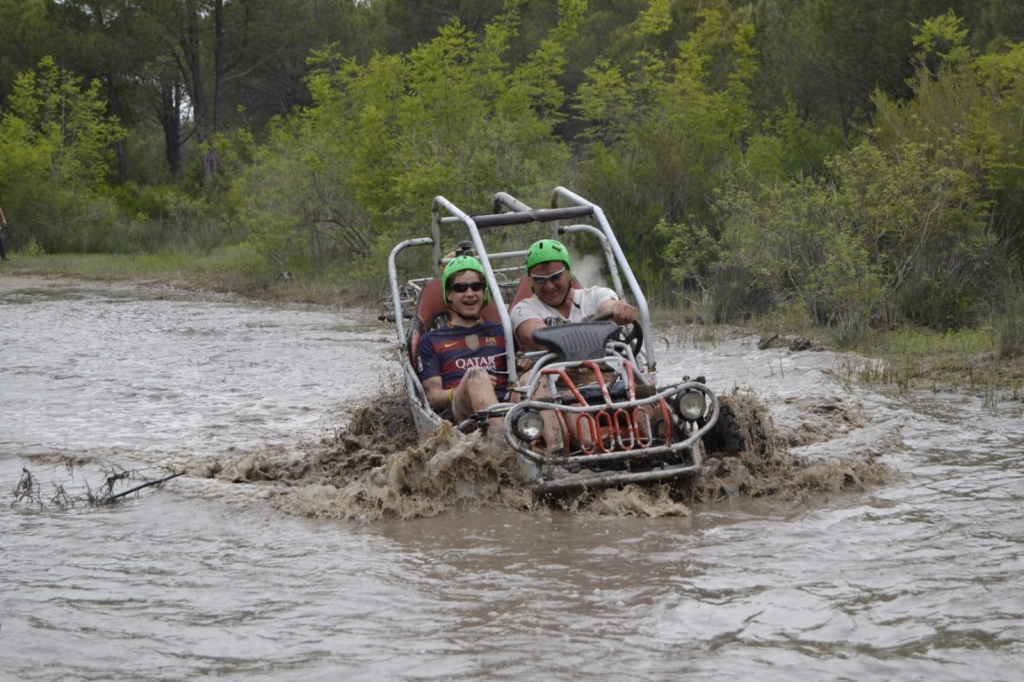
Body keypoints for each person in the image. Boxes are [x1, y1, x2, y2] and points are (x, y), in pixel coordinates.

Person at [416, 256, 512, 432]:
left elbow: (519, 378)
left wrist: (524, 365)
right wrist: (462, 387)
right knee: (476, 376)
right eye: (460, 288)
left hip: (506, 403)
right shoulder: (431, 340)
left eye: (476, 287)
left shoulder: (503, 331)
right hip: (460, 414)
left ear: (484, 292)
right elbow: (432, 398)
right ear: (449, 294)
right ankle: (505, 447)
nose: (469, 293)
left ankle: (559, 452)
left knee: (536, 376)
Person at [511, 239, 636, 351]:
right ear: (531, 281)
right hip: (552, 374)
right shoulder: (522, 310)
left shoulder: (596, 295)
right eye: (540, 279)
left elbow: (609, 307)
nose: (549, 286)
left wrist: (619, 310)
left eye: (556, 276)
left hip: (603, 371)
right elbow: (541, 338)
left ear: (569, 273)